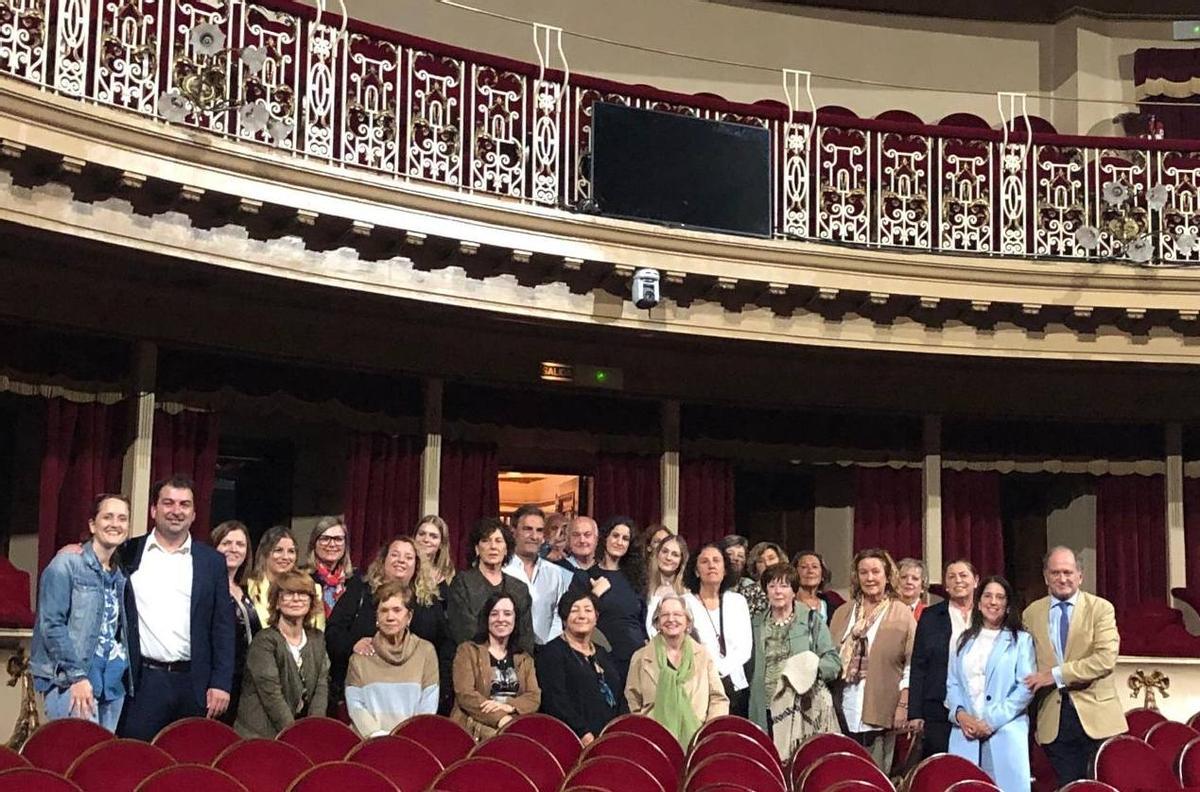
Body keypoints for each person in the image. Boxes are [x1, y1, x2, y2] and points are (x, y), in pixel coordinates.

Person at [118, 474, 234, 740]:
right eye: (168, 503)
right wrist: (75, 549)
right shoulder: (128, 552)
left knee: (189, 759)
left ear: (194, 514)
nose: (176, 511)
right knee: (136, 756)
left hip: (194, 683)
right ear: (153, 510)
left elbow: (223, 627)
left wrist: (221, 683)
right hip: (142, 683)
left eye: (184, 504)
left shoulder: (211, 562)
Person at [1022, 547, 1126, 785]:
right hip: (1054, 721)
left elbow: (1105, 659)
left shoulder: (1101, 608)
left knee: (1101, 787)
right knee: (1068, 786)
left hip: (1098, 718)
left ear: (1080, 576)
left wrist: (1056, 675)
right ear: (1046, 577)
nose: (1062, 578)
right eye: (1055, 573)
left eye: (1068, 572)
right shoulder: (1031, 614)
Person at [31, 494, 132, 732]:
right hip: (74, 682)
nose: (115, 524)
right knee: (78, 752)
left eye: (122, 518)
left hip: (112, 686)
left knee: (104, 755)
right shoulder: (66, 564)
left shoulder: (121, 575)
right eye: (107, 517)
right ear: (92, 525)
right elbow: (51, 624)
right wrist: (76, 677)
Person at [327, 536, 450, 713]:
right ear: (383, 560)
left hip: (415, 700)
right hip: (366, 694)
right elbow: (333, 631)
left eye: (408, 557)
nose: (401, 560)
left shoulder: (429, 600)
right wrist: (352, 644)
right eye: (395, 554)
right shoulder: (361, 591)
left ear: (416, 565)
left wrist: (438, 690)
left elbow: (445, 646)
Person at [829, 548, 917, 770]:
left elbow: (911, 665)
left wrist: (903, 705)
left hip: (881, 710)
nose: (870, 578)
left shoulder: (901, 613)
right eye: (863, 572)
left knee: (875, 776)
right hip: (842, 708)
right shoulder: (842, 613)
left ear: (887, 576)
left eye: (876, 572)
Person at [946, 576, 1035, 792]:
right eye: (987, 596)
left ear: (1007, 605)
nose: (993, 602)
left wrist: (990, 720)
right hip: (965, 734)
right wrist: (960, 715)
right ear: (978, 603)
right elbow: (953, 683)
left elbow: (1025, 687)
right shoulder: (962, 640)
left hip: (1005, 732)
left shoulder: (1021, 640)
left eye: (1000, 597)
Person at [749, 563, 841, 759]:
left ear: (793, 591)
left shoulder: (811, 619)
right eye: (772, 586)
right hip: (764, 708)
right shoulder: (755, 623)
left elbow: (833, 662)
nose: (778, 591)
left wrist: (808, 671)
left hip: (802, 709)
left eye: (784, 586)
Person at [233, 570, 329, 738]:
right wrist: (295, 736)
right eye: (289, 594)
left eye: (303, 594)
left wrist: (314, 730)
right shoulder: (264, 641)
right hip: (259, 736)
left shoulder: (317, 639)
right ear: (277, 602)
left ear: (311, 601)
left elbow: (321, 688)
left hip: (298, 735)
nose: (296, 599)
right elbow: (272, 696)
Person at [625, 594, 727, 747]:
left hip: (697, 741)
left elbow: (718, 698)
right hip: (654, 742)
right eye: (665, 615)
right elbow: (632, 699)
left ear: (688, 622)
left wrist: (708, 733)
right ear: (657, 622)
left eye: (677, 614)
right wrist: (645, 729)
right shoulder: (640, 657)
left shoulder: (703, 655)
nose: (671, 619)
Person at [344, 580, 439, 736]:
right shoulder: (360, 657)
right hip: (369, 742)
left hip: (414, 741)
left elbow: (428, 703)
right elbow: (356, 706)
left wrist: (407, 738)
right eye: (384, 610)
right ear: (376, 617)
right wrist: (379, 737)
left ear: (409, 617)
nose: (390, 617)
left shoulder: (426, 652)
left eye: (397, 610)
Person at [908, 559, 979, 758]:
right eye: (952, 577)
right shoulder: (930, 616)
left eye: (963, 575)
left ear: (976, 581)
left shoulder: (987, 614)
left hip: (980, 706)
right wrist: (915, 713)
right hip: (938, 707)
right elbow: (919, 665)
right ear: (946, 585)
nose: (958, 581)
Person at [536, 590, 626, 744]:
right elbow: (555, 701)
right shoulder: (552, 652)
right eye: (574, 610)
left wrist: (621, 729)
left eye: (588, 610)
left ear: (596, 617)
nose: (582, 616)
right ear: (564, 619)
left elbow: (618, 694)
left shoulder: (603, 653)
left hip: (610, 737)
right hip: (573, 739)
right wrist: (583, 733)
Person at [451, 593, 541, 739]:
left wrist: (509, 705)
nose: (501, 619)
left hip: (513, 726)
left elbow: (533, 697)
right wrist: (501, 718)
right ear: (486, 619)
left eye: (507, 614)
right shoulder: (467, 651)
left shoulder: (525, 658)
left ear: (515, 619)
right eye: (494, 614)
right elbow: (465, 694)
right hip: (476, 727)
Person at [446, 519, 535, 654]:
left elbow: (525, 635)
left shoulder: (519, 588)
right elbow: (463, 630)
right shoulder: (462, 583)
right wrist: (493, 654)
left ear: (506, 549)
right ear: (477, 549)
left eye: (498, 541)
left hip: (512, 659)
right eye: (486, 541)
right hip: (473, 658)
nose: (493, 546)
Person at [685, 543, 753, 718]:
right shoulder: (685, 603)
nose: (711, 565)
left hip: (735, 685)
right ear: (696, 571)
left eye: (716, 560)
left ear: (725, 569)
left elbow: (745, 647)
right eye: (704, 561)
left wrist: (722, 669)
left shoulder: (737, 601)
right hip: (699, 685)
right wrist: (712, 671)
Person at [503, 504, 578, 647]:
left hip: (547, 651)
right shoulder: (502, 570)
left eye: (539, 530)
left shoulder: (555, 573)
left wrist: (551, 648)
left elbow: (558, 616)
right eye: (527, 529)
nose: (534, 536)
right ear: (513, 532)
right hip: (508, 651)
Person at [211, 520, 262, 724]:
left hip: (246, 682)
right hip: (220, 682)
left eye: (240, 544)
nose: (234, 549)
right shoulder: (208, 587)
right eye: (226, 543)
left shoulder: (245, 589)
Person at [588, 516, 647, 684]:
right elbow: (581, 612)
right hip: (604, 655)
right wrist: (595, 593)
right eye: (615, 536)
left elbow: (641, 619)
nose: (619, 542)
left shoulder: (635, 577)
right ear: (605, 538)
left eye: (625, 538)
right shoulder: (589, 576)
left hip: (635, 656)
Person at [247, 526, 323, 629]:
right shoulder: (250, 588)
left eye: (291, 551)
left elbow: (319, 631)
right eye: (278, 550)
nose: (285, 557)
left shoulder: (313, 589)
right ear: (265, 553)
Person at [307, 516, 352, 620]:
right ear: (314, 544)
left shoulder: (355, 580)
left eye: (338, 539)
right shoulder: (303, 579)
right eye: (325, 539)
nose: (332, 544)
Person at [794, 550, 845, 625]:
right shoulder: (786, 603)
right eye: (804, 567)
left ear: (822, 575)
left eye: (815, 567)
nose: (810, 571)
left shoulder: (833, 601)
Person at [724, 535, 765, 617]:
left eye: (740, 556)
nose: (735, 558)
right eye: (730, 554)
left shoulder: (752, 588)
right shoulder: (709, 585)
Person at [744, 541, 785, 617]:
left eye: (771, 558)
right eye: (760, 561)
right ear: (755, 566)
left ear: (780, 560)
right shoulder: (748, 593)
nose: (767, 564)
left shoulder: (791, 588)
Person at [414, 515, 456, 587]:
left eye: (433, 537)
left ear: (441, 543)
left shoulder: (449, 575)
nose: (426, 539)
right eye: (421, 534)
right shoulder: (406, 569)